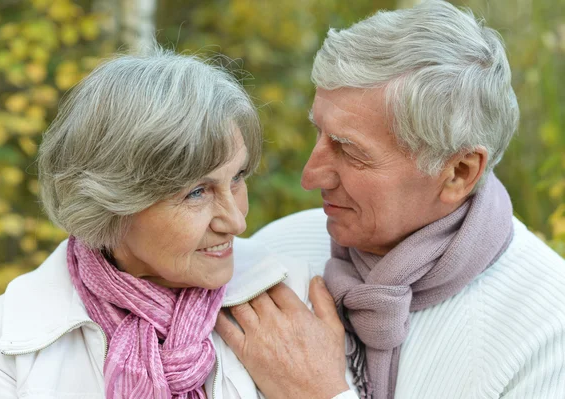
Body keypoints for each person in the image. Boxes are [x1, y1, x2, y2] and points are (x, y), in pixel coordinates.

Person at [214, 1, 565, 398]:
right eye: (319, 133)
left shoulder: (549, 332)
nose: (310, 177)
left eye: (350, 150)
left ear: (459, 172)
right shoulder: (271, 257)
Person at [0, 46, 355, 398]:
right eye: (196, 193)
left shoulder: (291, 297)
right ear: (112, 204)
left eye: (236, 178)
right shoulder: (9, 335)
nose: (235, 221)